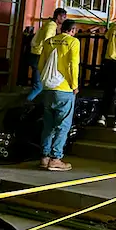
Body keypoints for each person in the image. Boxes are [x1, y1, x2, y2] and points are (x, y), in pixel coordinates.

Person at [37, 19, 80, 171]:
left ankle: (44, 157)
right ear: (73, 30)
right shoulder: (73, 42)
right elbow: (73, 65)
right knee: (62, 125)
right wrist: (74, 85)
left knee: (48, 124)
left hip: (48, 88)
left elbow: (41, 64)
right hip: (64, 89)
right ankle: (56, 158)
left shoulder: (49, 42)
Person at [28, 8, 67, 101]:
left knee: (39, 84)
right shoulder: (51, 26)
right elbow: (48, 40)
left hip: (35, 53)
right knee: (39, 87)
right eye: (64, 17)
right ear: (58, 17)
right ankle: (25, 104)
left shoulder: (48, 24)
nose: (64, 19)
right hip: (39, 55)